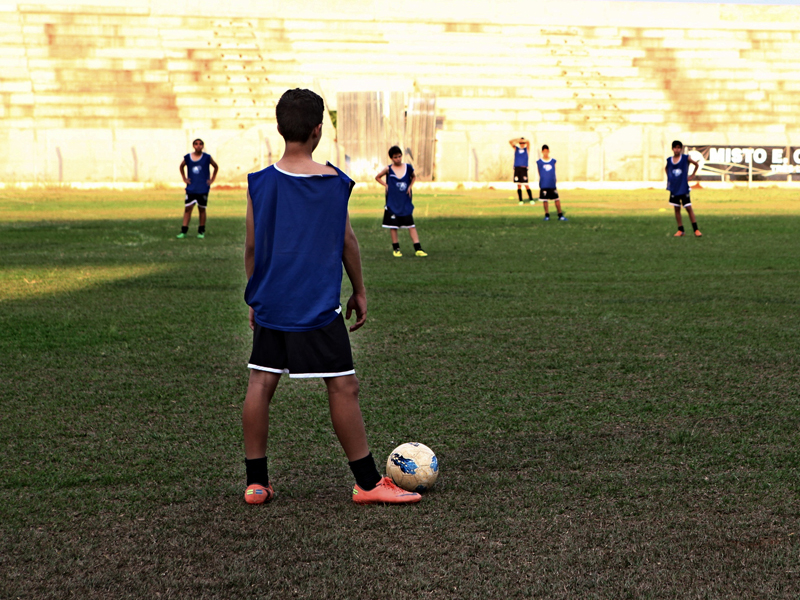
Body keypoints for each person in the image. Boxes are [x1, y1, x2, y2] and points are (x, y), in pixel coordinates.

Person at [242, 88, 421, 506]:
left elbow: (252, 247)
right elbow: (347, 241)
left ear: (280, 127)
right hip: (316, 305)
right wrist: (358, 289)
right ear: (318, 130)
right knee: (343, 386)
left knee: (260, 382)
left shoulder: (259, 183)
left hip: (271, 301)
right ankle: (367, 483)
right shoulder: (332, 182)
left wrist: (255, 295)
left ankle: (256, 482)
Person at [374, 147, 427, 257]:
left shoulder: (408, 168)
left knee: (411, 225)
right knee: (393, 226)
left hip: (405, 202)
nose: (398, 159)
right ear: (391, 158)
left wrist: (410, 187)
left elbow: (413, 177)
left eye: (399, 156)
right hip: (393, 202)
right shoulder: (388, 169)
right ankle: (396, 249)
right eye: (395, 157)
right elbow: (378, 177)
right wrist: (386, 185)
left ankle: (418, 249)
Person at [177, 139, 218, 239]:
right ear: (193, 146)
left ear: (203, 146)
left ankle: (201, 231)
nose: (198, 146)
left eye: (200, 144)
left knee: (202, 209)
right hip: (191, 188)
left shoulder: (207, 157)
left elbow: (216, 167)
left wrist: (211, 179)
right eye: (196, 144)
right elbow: (181, 166)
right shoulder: (188, 157)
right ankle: (184, 231)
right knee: (188, 209)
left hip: (202, 188)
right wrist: (184, 178)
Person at [666, 140, 702, 237]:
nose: (677, 149)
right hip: (674, 188)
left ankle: (696, 230)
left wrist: (692, 176)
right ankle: (680, 230)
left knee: (688, 208)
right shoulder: (669, 160)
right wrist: (670, 179)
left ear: (681, 149)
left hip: (683, 188)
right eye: (675, 147)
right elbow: (666, 168)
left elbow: (696, 164)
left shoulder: (685, 158)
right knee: (676, 209)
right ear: (672, 149)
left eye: (678, 147)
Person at [537, 145, 566, 221]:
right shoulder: (539, 162)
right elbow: (539, 172)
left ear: (548, 151)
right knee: (545, 200)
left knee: (556, 199)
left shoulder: (553, 161)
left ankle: (560, 215)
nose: (545, 153)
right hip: (544, 184)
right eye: (544, 151)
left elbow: (554, 171)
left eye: (547, 151)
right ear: (542, 152)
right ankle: (547, 215)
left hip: (552, 184)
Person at [509, 137, 534, 205]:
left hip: (523, 168)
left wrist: (524, 140)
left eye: (523, 143)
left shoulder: (526, 149)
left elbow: (528, 142)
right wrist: (518, 140)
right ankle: (520, 200)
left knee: (526, 184)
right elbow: (510, 141)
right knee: (519, 185)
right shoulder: (516, 149)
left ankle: (531, 199)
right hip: (517, 168)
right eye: (521, 143)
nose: (522, 144)